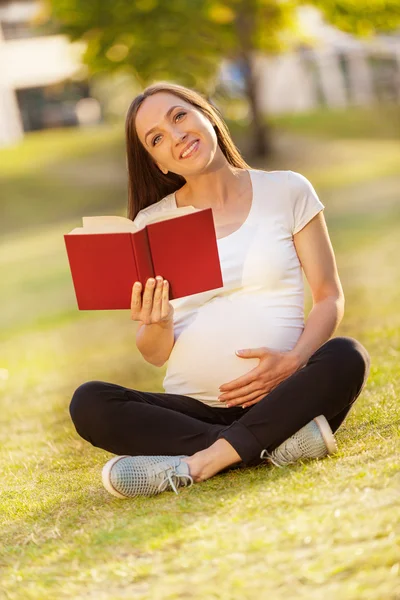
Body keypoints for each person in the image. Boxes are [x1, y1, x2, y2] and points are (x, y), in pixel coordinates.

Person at [69, 82, 370, 499]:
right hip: (196, 408)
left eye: (179, 116)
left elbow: (328, 294)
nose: (176, 136)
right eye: (156, 138)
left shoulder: (286, 190)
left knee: (347, 356)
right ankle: (271, 446)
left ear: (206, 113)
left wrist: (293, 360)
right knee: (89, 403)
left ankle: (197, 463)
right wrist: (158, 322)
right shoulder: (151, 225)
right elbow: (155, 353)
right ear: (156, 162)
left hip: (284, 395)